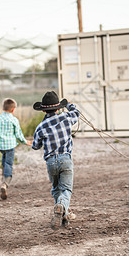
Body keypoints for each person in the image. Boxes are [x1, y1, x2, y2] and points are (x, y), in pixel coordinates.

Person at [32, 91, 80, 229]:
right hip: (66, 158)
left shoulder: (40, 127)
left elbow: (35, 146)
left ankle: (63, 216)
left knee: (56, 189)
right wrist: (69, 104)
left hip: (51, 162)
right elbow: (76, 113)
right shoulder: (66, 117)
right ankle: (61, 207)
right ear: (59, 108)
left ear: (43, 111)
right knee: (66, 189)